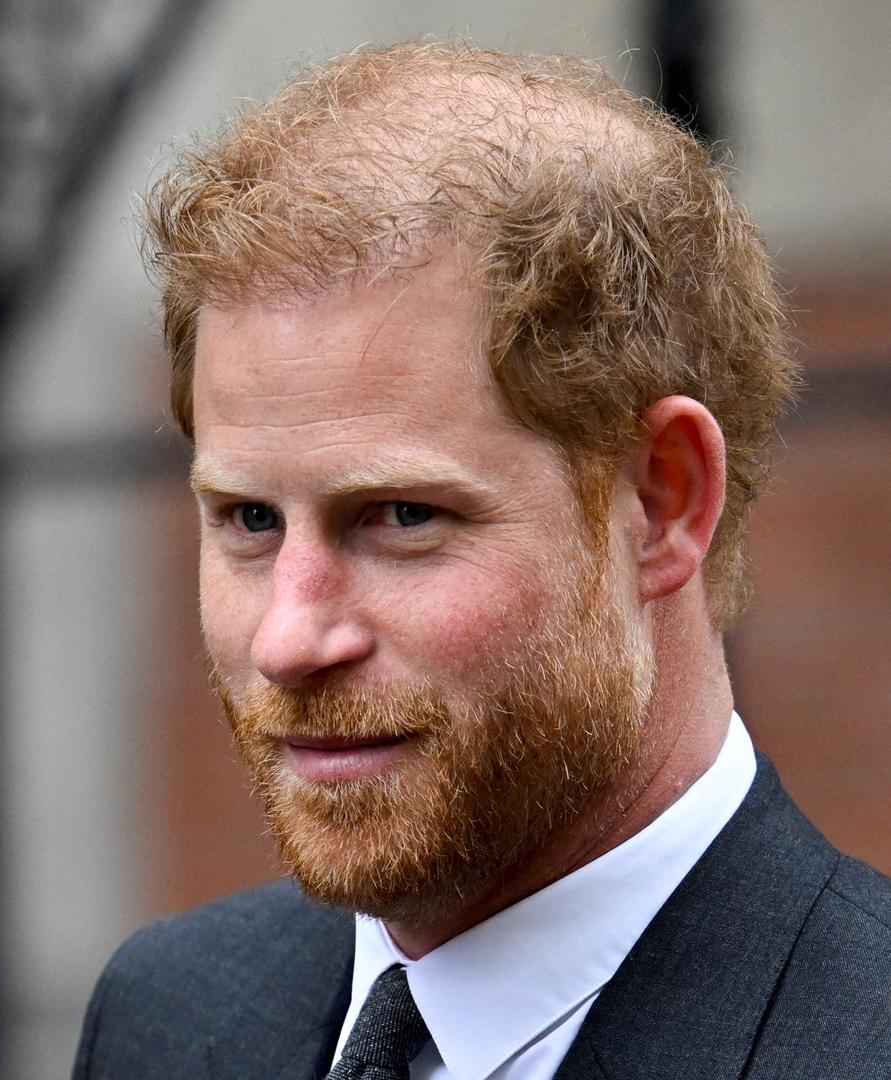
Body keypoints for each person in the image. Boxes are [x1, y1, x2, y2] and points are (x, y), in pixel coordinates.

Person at [72, 42, 891, 1080]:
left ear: (663, 500)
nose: (288, 637)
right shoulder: (169, 1014)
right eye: (246, 521)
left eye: (401, 516)